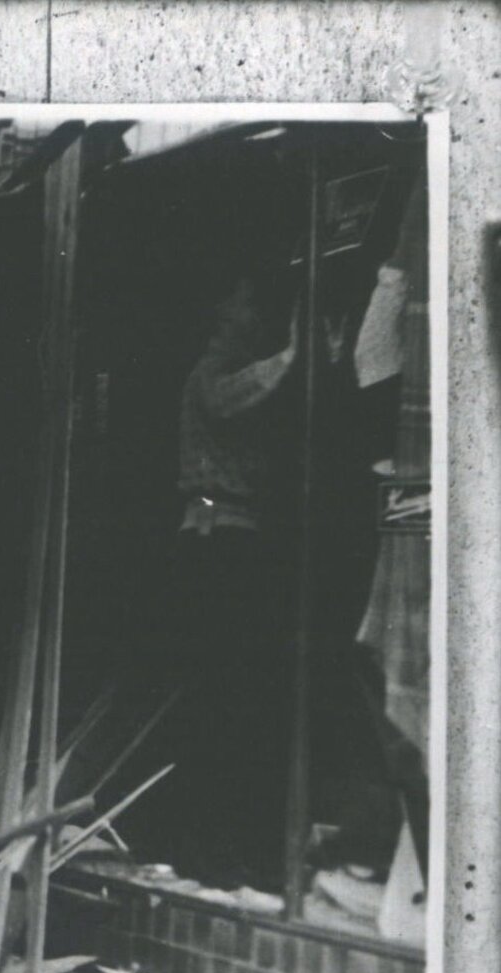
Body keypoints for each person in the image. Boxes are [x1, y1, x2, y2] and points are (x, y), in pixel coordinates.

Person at [164, 273, 302, 889]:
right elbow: (230, 396)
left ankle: (222, 845)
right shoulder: (214, 368)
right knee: (220, 695)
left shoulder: (234, 364)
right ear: (228, 314)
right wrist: (290, 356)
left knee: (234, 696)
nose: (256, 315)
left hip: (233, 538)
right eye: (248, 305)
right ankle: (204, 847)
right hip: (216, 541)